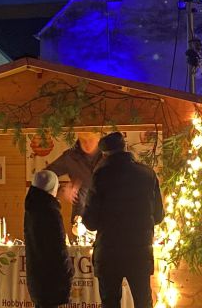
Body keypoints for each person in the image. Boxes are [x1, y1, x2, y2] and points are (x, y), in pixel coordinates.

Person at [82, 132, 164, 308]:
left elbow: (90, 222)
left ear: (104, 154)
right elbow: (158, 216)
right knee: (143, 302)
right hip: (140, 252)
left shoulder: (100, 176)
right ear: (125, 147)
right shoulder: (147, 174)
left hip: (109, 253)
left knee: (110, 302)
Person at [23, 170, 73, 308]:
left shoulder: (32, 207)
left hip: (37, 275)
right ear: (53, 188)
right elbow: (58, 248)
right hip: (52, 277)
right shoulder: (50, 211)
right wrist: (68, 272)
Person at [45, 132, 102, 221]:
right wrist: (62, 189)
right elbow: (45, 176)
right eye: (83, 140)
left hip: (107, 216)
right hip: (81, 219)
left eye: (90, 140)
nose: (87, 144)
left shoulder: (109, 156)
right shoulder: (70, 158)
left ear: (98, 138)